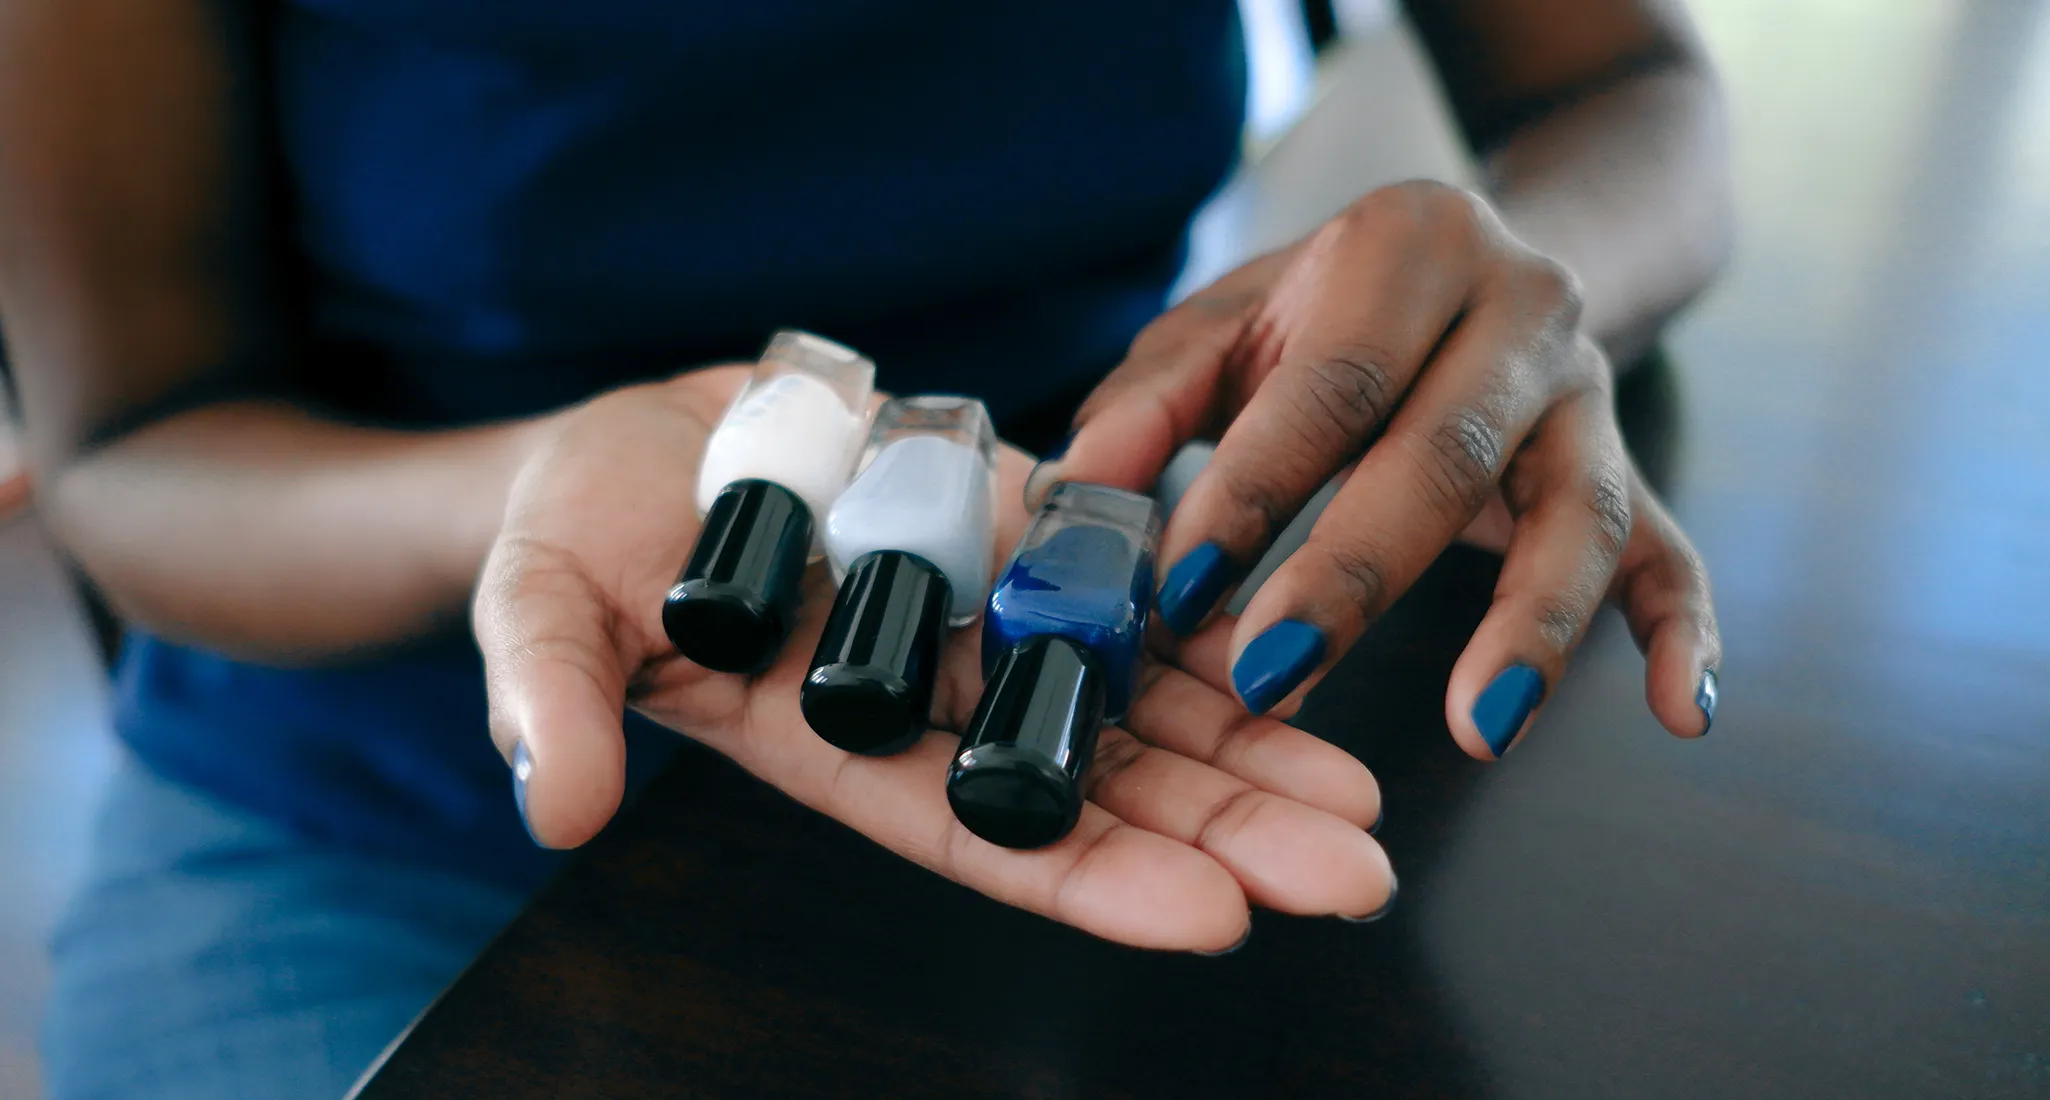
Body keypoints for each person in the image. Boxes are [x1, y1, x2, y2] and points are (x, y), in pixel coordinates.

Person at [0, 0, 1727, 1095]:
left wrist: (1514, 290)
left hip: (1079, 679)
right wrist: (540, 490)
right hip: (378, 827)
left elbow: (1638, 90)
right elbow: (134, 453)